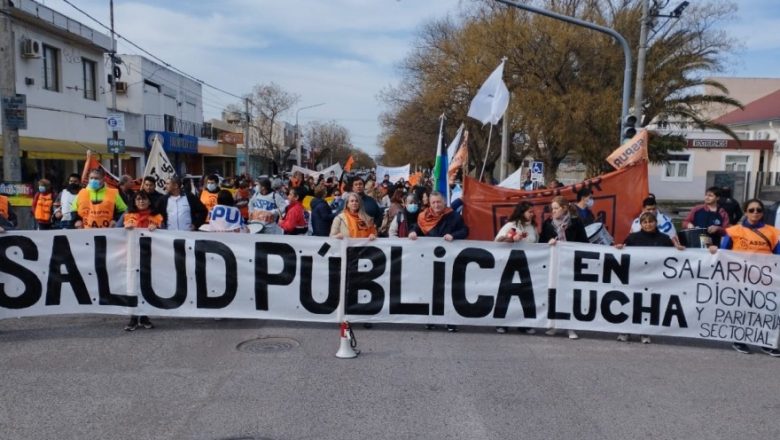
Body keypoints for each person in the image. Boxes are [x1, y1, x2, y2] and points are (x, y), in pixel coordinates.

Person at [709, 199, 780, 357]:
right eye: (751, 210)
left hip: (765, 279)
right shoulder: (733, 231)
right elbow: (724, 252)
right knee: (743, 310)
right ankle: (739, 339)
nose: (755, 213)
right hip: (740, 279)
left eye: (758, 210)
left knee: (768, 311)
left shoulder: (774, 232)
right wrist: (715, 250)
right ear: (746, 212)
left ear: (763, 213)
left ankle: (767, 343)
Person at [615, 212, 684, 343]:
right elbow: (623, 251)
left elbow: (673, 257)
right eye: (644, 222)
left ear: (656, 223)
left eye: (650, 222)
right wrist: (619, 248)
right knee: (631, 303)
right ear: (640, 224)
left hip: (654, 278)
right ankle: (625, 331)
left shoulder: (664, 239)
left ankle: (644, 332)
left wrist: (679, 249)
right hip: (635, 276)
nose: (648, 225)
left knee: (648, 305)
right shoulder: (632, 238)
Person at [409, 191, 469, 332]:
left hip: (449, 260)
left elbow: (465, 231)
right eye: (433, 202)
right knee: (430, 290)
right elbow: (416, 228)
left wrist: (454, 235)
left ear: (444, 203)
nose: (436, 205)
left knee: (448, 290)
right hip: (429, 259)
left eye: (439, 202)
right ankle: (431, 319)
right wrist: (413, 232)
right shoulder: (423, 216)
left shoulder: (453, 216)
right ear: (430, 204)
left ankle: (450, 320)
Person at [539, 196, 588, 339]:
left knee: (569, 295)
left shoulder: (576, 222)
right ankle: (554, 324)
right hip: (554, 264)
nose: (553, 211)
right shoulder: (548, 223)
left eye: (556, 208)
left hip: (571, 264)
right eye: (552, 208)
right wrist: (549, 241)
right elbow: (542, 242)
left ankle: (570, 327)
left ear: (564, 208)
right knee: (554, 293)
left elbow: (584, 242)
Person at [494, 201, 539, 334]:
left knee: (527, 294)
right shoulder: (511, 225)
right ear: (522, 212)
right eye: (529, 211)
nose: (532, 214)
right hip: (510, 263)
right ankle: (501, 322)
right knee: (505, 292)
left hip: (527, 264)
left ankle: (525, 323)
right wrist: (512, 239)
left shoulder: (532, 227)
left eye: (532, 211)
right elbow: (497, 240)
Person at [122, 190, 163, 331]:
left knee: (147, 285)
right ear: (134, 202)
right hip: (133, 257)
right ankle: (133, 318)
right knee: (133, 286)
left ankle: (144, 316)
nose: (141, 202)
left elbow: (161, 227)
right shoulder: (129, 215)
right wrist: (127, 227)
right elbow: (127, 226)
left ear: (149, 201)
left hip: (151, 256)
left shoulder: (156, 216)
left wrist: (156, 227)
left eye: (144, 199)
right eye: (138, 199)